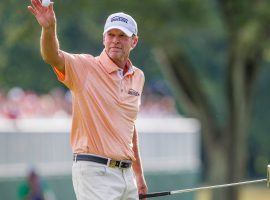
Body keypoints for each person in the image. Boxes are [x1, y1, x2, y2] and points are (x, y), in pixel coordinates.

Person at [28, 0, 148, 199]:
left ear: (134, 41)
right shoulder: (85, 67)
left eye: (122, 36)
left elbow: (129, 127)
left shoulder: (138, 77)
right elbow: (52, 56)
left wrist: (139, 175)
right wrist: (49, 29)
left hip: (126, 176)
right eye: (111, 35)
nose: (115, 40)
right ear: (103, 38)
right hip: (94, 171)